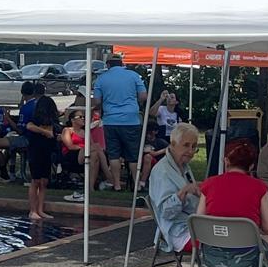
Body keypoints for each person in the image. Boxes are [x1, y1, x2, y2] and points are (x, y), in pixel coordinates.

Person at [195, 139, 268, 267]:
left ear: (226, 161)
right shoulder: (259, 187)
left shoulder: (209, 184)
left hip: (212, 257)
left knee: (223, 241)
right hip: (247, 258)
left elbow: (199, 221)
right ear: (251, 166)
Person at [93, 54, 147, 191]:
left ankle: (117, 184)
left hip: (111, 120)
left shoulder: (101, 79)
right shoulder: (133, 76)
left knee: (114, 153)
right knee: (133, 155)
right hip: (131, 119)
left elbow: (97, 101)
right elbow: (143, 96)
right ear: (122, 63)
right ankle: (136, 184)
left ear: (108, 64)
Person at [148, 122, 202, 253]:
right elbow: (166, 212)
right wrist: (183, 192)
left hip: (193, 226)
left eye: (194, 147)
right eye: (186, 145)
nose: (190, 151)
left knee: (225, 233)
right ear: (173, 144)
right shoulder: (162, 172)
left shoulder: (182, 165)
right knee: (221, 240)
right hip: (178, 232)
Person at [24, 94, 59, 224]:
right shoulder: (36, 120)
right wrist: (44, 132)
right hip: (36, 152)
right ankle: (33, 210)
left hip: (46, 152)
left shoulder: (52, 122)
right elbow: (29, 126)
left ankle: (40, 209)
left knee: (44, 181)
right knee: (36, 180)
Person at [58, 106, 107, 199]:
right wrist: (84, 147)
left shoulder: (85, 132)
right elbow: (70, 146)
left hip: (87, 155)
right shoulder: (67, 130)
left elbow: (92, 145)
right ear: (72, 120)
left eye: (83, 117)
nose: (83, 118)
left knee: (95, 154)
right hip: (72, 155)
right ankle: (109, 177)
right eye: (80, 117)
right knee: (96, 148)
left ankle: (90, 187)